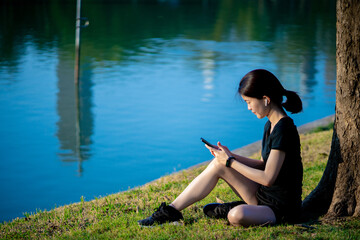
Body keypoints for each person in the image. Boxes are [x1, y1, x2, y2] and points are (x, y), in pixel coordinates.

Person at [138, 69, 303, 227]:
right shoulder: (270, 124)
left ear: (265, 99)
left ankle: (236, 209)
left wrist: (231, 162)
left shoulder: (284, 128)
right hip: (263, 196)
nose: (249, 108)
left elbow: (268, 178)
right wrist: (230, 156)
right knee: (218, 164)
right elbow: (263, 164)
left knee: (235, 216)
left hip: (281, 209)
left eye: (249, 102)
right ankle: (171, 210)